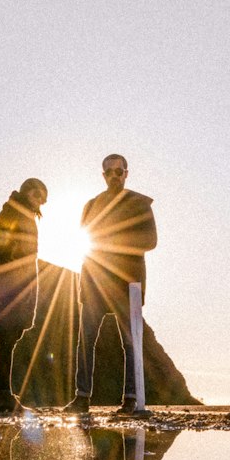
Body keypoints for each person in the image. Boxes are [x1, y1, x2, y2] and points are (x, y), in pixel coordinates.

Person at [64, 154, 157, 415]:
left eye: (119, 171)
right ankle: (81, 398)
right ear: (103, 176)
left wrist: (116, 244)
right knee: (86, 339)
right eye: (109, 172)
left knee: (130, 342)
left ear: (126, 173)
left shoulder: (140, 204)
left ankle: (130, 399)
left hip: (127, 281)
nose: (114, 176)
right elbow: (84, 239)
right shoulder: (91, 205)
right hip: (95, 280)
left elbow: (150, 240)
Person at [0, 178, 48, 413]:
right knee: (6, 339)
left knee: (11, 339)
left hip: (22, 284)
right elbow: (1, 248)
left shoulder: (27, 215)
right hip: (10, 283)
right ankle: (3, 394)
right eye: (36, 194)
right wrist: (2, 281)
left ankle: (5, 393)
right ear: (25, 192)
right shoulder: (12, 211)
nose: (40, 200)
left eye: (43, 197)